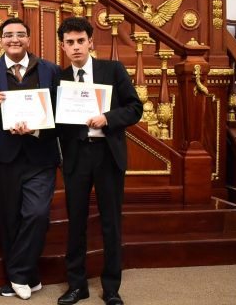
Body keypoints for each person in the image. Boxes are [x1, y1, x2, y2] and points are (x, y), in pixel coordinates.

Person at [0, 17, 61, 300]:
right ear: (0, 40)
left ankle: (17, 275)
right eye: (8, 35)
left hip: (41, 153)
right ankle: (28, 276)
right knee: (9, 218)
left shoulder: (51, 70)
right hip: (4, 156)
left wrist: (40, 124)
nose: (14, 39)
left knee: (37, 214)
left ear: (29, 39)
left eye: (20, 34)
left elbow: (61, 111)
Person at [54, 17, 143, 305]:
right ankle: (77, 285)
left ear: (91, 42)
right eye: (70, 42)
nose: (76, 47)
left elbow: (134, 108)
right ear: (63, 47)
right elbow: (54, 122)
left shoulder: (112, 69)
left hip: (107, 155)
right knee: (76, 221)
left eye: (81, 41)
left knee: (110, 223)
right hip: (77, 157)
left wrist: (108, 118)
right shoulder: (59, 78)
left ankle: (112, 288)